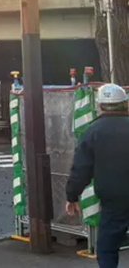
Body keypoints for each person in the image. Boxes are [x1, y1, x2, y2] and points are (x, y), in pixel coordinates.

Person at [66, 83, 129, 268]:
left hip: (113, 199)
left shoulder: (93, 131)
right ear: (125, 103)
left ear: (100, 106)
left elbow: (81, 169)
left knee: (107, 248)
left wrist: (72, 195)